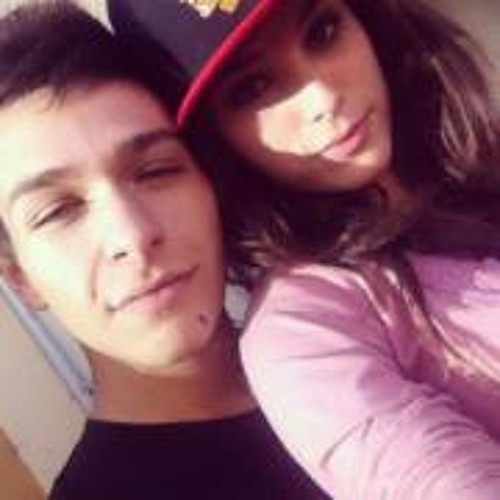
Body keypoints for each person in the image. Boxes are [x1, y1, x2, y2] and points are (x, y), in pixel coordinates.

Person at [106, 0, 500, 498]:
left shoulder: (476, 155)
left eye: (323, 31)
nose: (322, 97)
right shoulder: (305, 328)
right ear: (214, 141)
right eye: (253, 88)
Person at [0, 3, 331, 499]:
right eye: (57, 212)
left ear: (209, 182)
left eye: (156, 171)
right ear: (20, 276)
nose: (132, 234)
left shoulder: (352, 343)